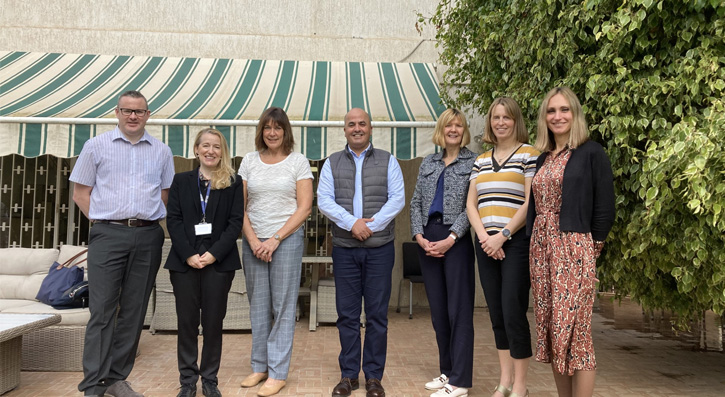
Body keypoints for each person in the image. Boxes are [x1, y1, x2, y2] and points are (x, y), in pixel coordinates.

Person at [71, 90, 175, 397]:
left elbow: (165, 195)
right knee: (102, 310)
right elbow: (80, 194)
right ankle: (93, 384)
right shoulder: (95, 146)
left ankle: (116, 378)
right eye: (127, 111)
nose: (133, 116)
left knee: (134, 309)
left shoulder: (162, 151)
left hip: (148, 235)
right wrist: (104, 223)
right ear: (116, 112)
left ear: (148, 115)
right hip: (108, 235)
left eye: (139, 111)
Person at [527, 87, 615, 397]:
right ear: (544, 118)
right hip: (541, 251)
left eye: (564, 110)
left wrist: (590, 251)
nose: (558, 116)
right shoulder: (542, 158)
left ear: (575, 114)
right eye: (551, 111)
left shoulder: (591, 152)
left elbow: (605, 208)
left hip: (574, 250)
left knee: (577, 333)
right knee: (553, 331)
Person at [317, 108, 405, 397]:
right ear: (344, 130)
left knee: (378, 315)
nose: (357, 128)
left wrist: (371, 226)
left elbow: (397, 200)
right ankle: (349, 375)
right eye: (351, 124)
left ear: (370, 128)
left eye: (362, 124)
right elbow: (324, 201)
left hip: (379, 249)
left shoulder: (389, 160)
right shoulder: (330, 163)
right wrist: (352, 224)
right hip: (345, 250)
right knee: (347, 315)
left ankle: (374, 378)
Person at [467, 98, 540, 397]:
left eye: (506, 117)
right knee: (496, 313)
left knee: (513, 310)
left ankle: (520, 385)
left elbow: (529, 202)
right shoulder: (481, 159)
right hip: (485, 243)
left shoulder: (529, 155)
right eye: (495, 117)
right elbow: (472, 204)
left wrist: (504, 235)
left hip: (516, 243)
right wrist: (486, 238)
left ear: (516, 121)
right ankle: (504, 381)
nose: (500, 123)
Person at [238, 107, 313, 397]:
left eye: (277, 128)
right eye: (267, 128)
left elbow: (304, 207)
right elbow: (240, 206)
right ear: (261, 131)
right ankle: (259, 366)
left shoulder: (298, 161)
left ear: (286, 132)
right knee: (258, 305)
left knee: (282, 306)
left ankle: (278, 372)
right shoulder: (248, 161)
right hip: (253, 241)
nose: (272, 133)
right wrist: (255, 240)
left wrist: (274, 239)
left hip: (286, 241)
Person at [164, 128, 244, 397]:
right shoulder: (180, 181)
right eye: (205, 145)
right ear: (196, 149)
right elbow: (173, 220)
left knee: (213, 323)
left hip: (218, 262)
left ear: (223, 152)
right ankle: (187, 381)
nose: (211, 151)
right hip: (184, 262)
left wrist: (214, 254)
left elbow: (235, 223)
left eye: (217, 146)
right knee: (186, 322)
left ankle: (209, 379)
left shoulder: (233, 181)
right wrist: (188, 253)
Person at [409, 108, 476, 397]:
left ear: (464, 131)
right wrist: (419, 237)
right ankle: (447, 372)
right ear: (441, 129)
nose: (453, 129)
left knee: (458, 311)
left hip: (456, 240)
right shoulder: (428, 162)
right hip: (428, 238)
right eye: (449, 125)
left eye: (458, 125)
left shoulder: (474, 163)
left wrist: (452, 237)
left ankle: (460, 381)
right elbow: (414, 203)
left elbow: (472, 207)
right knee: (438, 311)